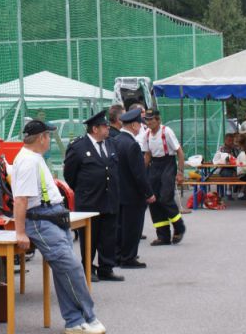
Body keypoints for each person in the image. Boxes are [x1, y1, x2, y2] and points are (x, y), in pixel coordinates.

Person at [11, 120, 106, 334]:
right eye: (49, 136)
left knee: (65, 269)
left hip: (51, 217)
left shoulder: (33, 158)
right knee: (71, 267)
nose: (50, 140)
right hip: (41, 220)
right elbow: (21, 200)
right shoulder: (27, 161)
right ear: (41, 138)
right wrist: (20, 232)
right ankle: (88, 318)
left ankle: (74, 321)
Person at [63, 110, 123, 282]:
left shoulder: (111, 144)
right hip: (90, 200)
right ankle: (88, 268)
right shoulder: (78, 147)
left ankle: (106, 268)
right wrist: (83, 190)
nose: (108, 129)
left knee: (108, 236)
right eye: (105, 126)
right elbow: (70, 175)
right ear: (95, 129)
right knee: (90, 237)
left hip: (109, 198)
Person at [113, 108, 155, 266]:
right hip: (132, 194)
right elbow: (139, 173)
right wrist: (148, 193)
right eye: (140, 124)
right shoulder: (132, 145)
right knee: (132, 227)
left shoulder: (116, 141)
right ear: (134, 125)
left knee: (120, 227)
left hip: (119, 192)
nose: (141, 128)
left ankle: (118, 255)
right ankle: (128, 258)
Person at [142, 108, 187, 244]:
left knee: (165, 198)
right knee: (153, 200)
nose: (148, 122)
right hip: (154, 165)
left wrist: (180, 172)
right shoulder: (146, 134)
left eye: (151, 119)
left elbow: (180, 152)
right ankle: (163, 236)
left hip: (168, 164)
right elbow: (147, 155)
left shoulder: (166, 131)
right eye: (147, 120)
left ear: (158, 120)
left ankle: (179, 227)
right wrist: (141, 173)